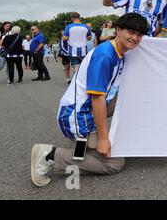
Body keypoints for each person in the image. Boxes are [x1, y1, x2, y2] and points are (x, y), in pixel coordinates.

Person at [30, 13, 149, 187]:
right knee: (114, 163)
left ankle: (83, 144)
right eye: (131, 32)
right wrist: (103, 138)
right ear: (117, 30)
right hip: (77, 115)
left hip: (86, 110)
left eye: (139, 35)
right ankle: (50, 155)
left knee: (129, 97)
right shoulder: (105, 55)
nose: (135, 38)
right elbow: (97, 100)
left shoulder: (119, 52)